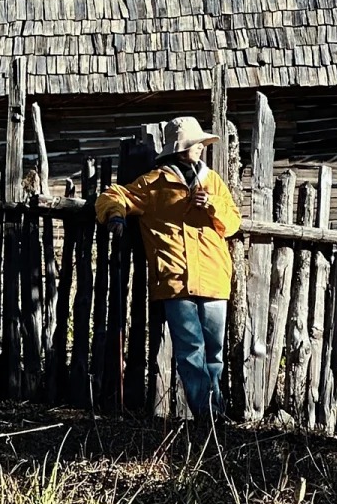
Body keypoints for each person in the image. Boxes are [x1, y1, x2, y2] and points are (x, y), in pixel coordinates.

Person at [95, 115, 241, 420]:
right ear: (181, 148)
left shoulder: (213, 182)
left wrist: (211, 205)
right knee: (191, 353)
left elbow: (232, 223)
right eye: (196, 144)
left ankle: (215, 414)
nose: (201, 148)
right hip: (175, 280)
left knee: (214, 354)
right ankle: (208, 417)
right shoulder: (154, 183)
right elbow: (113, 195)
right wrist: (116, 216)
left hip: (214, 277)